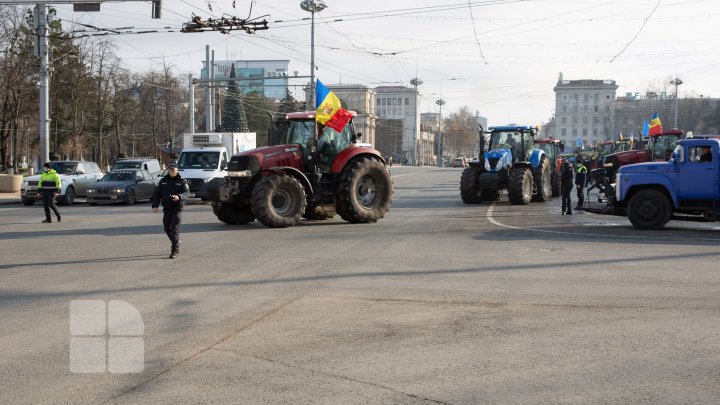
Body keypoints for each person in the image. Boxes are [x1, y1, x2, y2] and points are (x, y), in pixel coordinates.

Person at [152, 163, 190, 259]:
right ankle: (176, 241)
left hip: (177, 208)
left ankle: (174, 250)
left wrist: (179, 196)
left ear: (177, 170)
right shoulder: (163, 181)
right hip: (167, 208)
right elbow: (157, 194)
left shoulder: (182, 181)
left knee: (174, 228)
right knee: (166, 228)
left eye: (173, 169)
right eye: (169, 170)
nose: (171, 171)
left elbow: (186, 193)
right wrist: (155, 205)